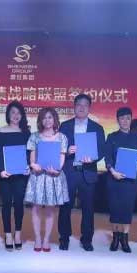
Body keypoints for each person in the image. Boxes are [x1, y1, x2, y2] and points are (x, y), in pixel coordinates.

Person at [58, 94, 106, 251]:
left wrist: (92, 158)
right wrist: (67, 151)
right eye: (79, 104)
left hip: (88, 172)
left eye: (85, 105)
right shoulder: (65, 126)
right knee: (65, 206)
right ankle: (64, 238)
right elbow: (58, 148)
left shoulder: (97, 128)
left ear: (89, 108)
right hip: (70, 171)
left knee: (88, 208)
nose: (82, 107)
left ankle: (87, 240)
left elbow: (102, 150)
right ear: (74, 106)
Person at [25, 107, 69, 252]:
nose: (47, 120)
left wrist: (57, 169)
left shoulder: (62, 137)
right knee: (36, 208)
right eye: (44, 117)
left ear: (55, 119)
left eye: (50, 117)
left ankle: (46, 239)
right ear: (40, 120)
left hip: (53, 176)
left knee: (51, 209)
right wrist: (33, 165)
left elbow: (62, 158)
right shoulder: (34, 136)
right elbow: (32, 159)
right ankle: (37, 238)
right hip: (38, 176)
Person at [104, 107, 137, 253]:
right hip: (114, 178)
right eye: (122, 118)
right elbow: (108, 157)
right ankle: (115, 237)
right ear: (118, 120)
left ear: (131, 119)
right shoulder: (112, 137)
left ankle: (125, 239)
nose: (125, 121)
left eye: (128, 118)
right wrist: (113, 171)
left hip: (130, 180)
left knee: (127, 209)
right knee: (115, 208)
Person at [0, 100, 31, 251]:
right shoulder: (1, 131)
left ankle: (18, 234)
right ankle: (8, 234)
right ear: (8, 115)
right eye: (13, 112)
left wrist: (28, 166)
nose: (16, 115)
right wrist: (0, 170)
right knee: (6, 204)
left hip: (21, 175)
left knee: (19, 204)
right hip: (5, 175)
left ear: (22, 115)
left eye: (18, 113)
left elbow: (29, 154)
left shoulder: (26, 133)